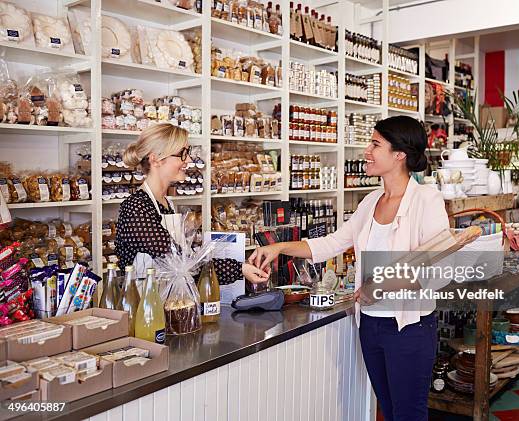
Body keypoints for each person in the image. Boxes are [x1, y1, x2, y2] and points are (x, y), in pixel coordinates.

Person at [249, 116, 450, 421]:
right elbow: (332, 243)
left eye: (375, 144)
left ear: (399, 155)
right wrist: (278, 246)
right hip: (370, 324)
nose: (366, 151)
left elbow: (439, 268)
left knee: (409, 414)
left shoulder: (427, 201)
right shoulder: (371, 201)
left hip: (409, 328)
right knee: (390, 408)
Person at [116, 123, 268, 285]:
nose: (188, 159)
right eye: (182, 153)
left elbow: (183, 259)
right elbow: (180, 262)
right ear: (156, 159)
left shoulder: (167, 203)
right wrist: (239, 269)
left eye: (187, 153)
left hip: (171, 299)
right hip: (144, 304)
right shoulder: (136, 208)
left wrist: (241, 267)